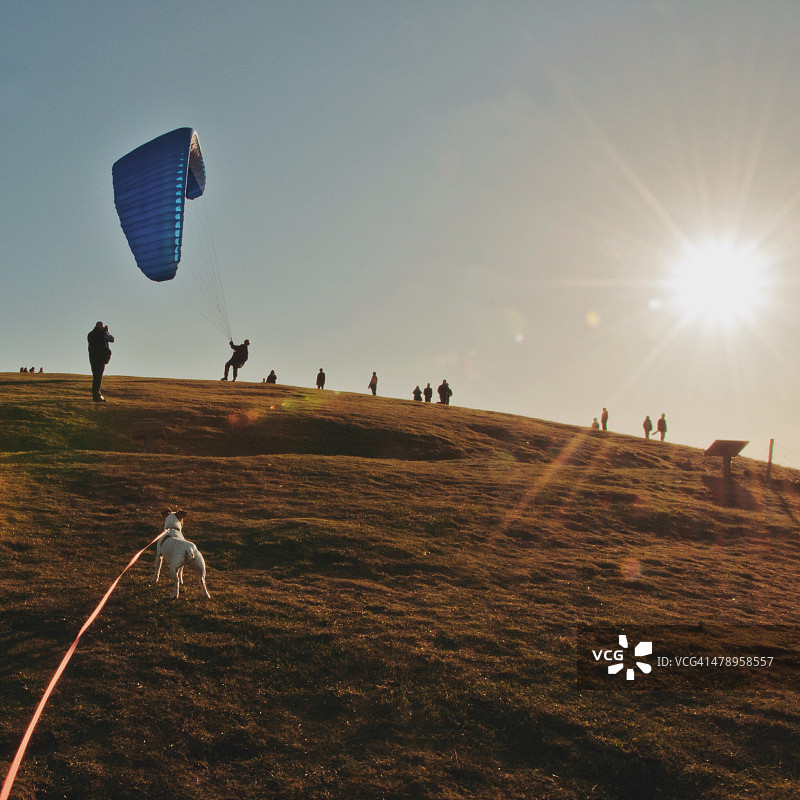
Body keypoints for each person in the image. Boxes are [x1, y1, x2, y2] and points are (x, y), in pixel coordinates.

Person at [87, 321, 113, 402]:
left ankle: (96, 395)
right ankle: (96, 396)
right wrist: (106, 331)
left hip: (93, 358)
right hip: (100, 358)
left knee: (96, 376)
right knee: (98, 377)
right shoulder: (102, 334)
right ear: (100, 327)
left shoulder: (90, 334)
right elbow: (111, 339)